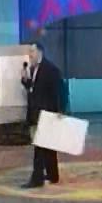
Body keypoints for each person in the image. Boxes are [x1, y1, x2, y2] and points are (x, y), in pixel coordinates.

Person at [21, 42, 65, 188]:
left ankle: (37, 179)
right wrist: (25, 81)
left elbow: (58, 91)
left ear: (40, 52)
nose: (30, 55)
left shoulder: (51, 69)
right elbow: (34, 89)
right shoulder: (34, 69)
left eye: (32, 51)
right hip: (37, 112)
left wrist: (59, 110)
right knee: (48, 146)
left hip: (46, 113)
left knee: (40, 147)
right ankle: (53, 175)